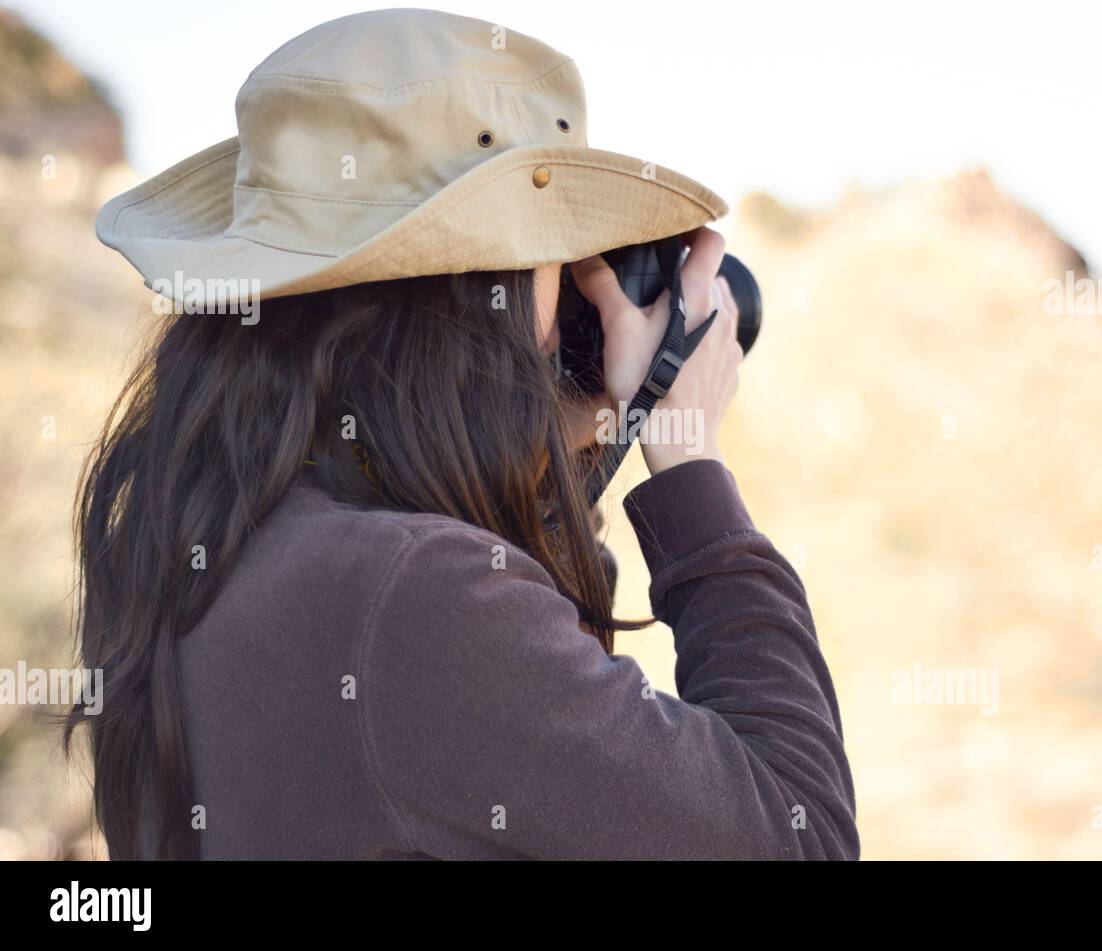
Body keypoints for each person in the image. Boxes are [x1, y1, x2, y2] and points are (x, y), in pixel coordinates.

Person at [73, 8, 858, 860]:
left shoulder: (197, 548)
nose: (564, 321)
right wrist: (688, 457)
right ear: (485, 294)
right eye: (560, 264)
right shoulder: (412, 598)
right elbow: (799, 831)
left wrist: (565, 438)